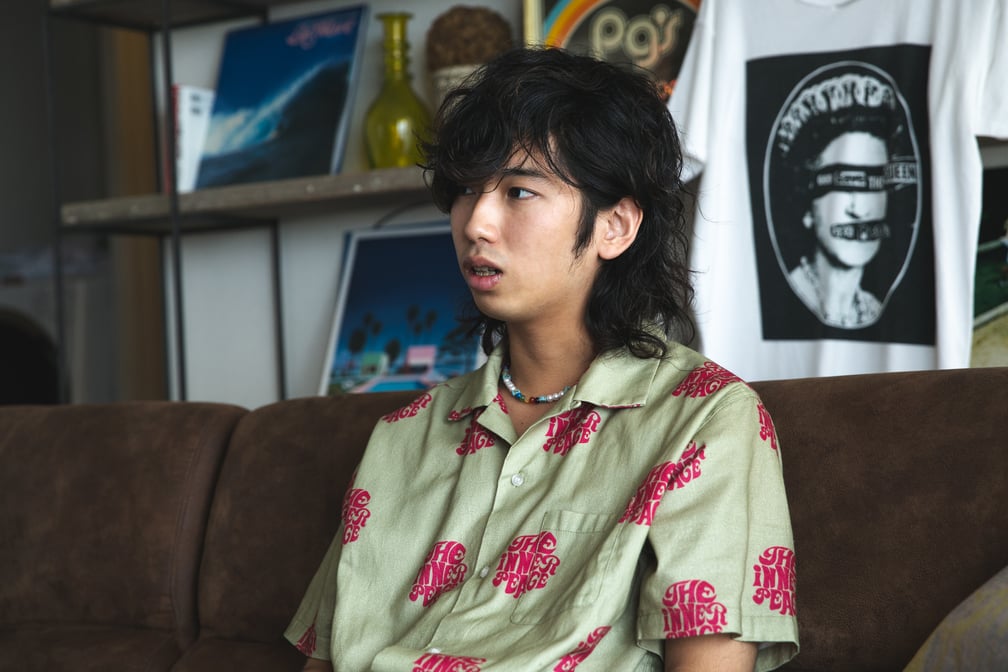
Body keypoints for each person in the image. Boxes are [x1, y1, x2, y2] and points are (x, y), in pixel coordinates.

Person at [285, 46, 798, 672]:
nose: (476, 223)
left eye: (519, 191)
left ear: (615, 226)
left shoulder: (705, 421)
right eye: (466, 190)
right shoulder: (401, 437)